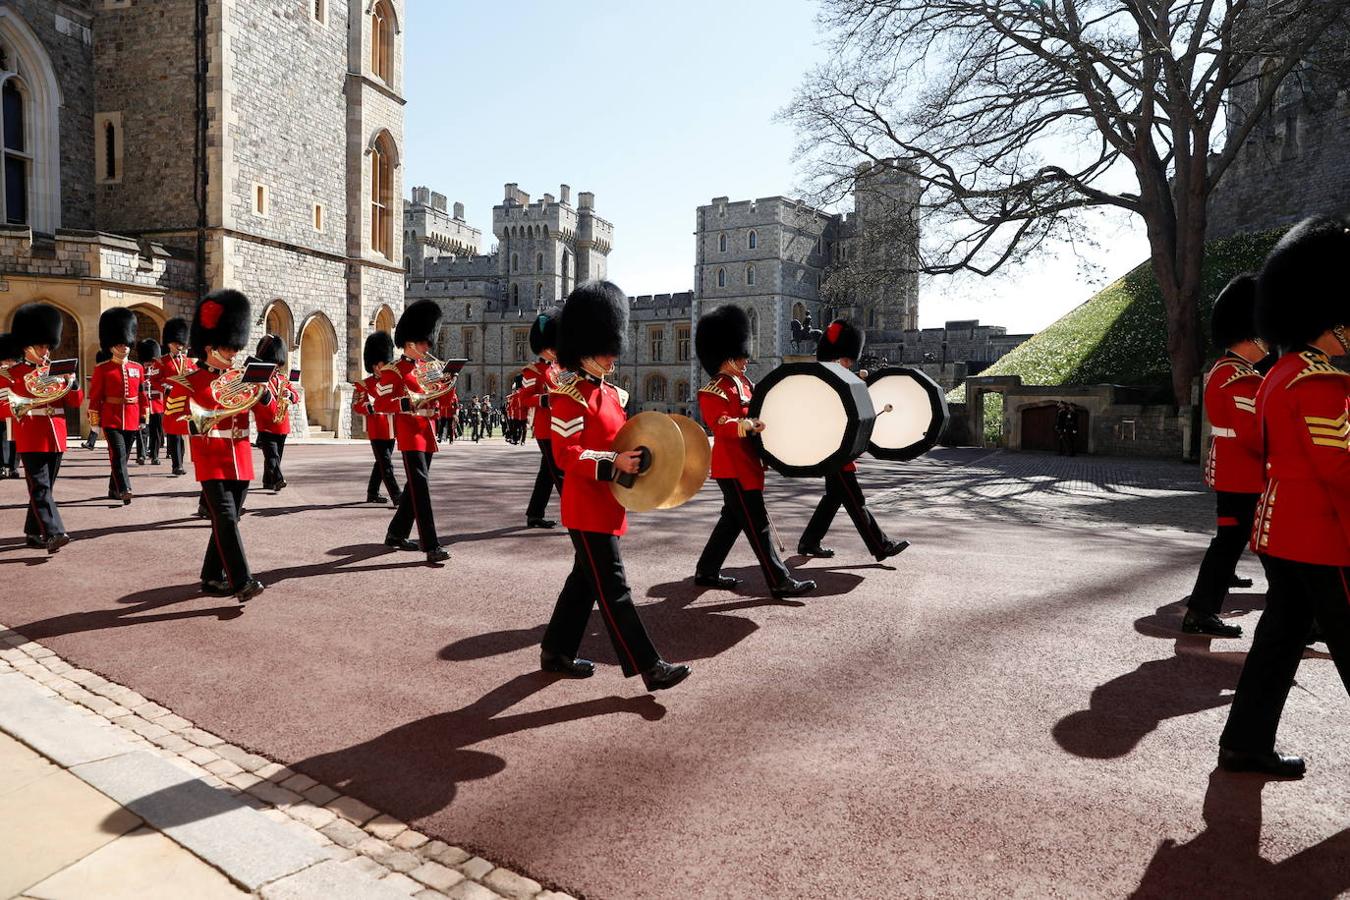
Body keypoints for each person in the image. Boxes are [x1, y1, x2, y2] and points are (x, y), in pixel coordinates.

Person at [1218, 216, 1350, 779]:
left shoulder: (1280, 373)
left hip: (1283, 532)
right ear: (1331, 319)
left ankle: (1245, 743)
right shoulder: (1318, 383)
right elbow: (1340, 471)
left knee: (1278, 641)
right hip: (1323, 536)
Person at [541, 280, 690, 691]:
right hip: (586, 506)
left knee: (583, 582)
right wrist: (612, 463)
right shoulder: (569, 395)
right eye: (606, 346)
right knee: (615, 588)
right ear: (585, 343)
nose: (612, 354)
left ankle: (555, 650)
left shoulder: (611, 395)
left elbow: (622, 441)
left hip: (610, 502)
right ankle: (649, 666)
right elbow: (566, 455)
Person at [693, 304, 814, 598]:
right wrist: (748, 425)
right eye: (741, 354)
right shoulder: (714, 390)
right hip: (732, 467)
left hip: (747, 464)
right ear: (727, 354)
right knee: (758, 526)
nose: (746, 358)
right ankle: (779, 580)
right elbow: (721, 426)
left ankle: (706, 570)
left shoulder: (745, 385)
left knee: (731, 522)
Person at [1183, 275, 1268, 638]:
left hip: (1237, 476)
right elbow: (1254, 436)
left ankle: (1201, 611)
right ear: (1249, 335)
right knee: (1246, 545)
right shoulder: (1237, 377)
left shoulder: (1231, 372)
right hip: (1245, 478)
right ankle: (1201, 612)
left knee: (1231, 544)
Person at [173, 289, 267, 602]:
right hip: (211, 457)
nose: (232, 354)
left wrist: (264, 395)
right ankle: (242, 581)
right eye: (228, 348)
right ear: (211, 347)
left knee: (230, 519)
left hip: (240, 456)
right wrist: (203, 420)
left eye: (234, 347)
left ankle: (212, 576)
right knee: (226, 518)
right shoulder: (188, 381)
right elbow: (171, 422)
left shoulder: (239, 377)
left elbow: (258, 409)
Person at [797, 319, 909, 562]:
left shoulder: (836, 376)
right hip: (833, 451)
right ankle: (881, 546)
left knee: (833, 498)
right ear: (837, 356)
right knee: (855, 500)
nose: (850, 363)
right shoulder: (824, 378)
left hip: (840, 451)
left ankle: (809, 540)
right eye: (847, 359)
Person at [375, 300, 451, 563]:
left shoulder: (426, 369)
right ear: (410, 341)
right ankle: (430, 544)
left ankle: (396, 533)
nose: (427, 347)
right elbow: (381, 403)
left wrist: (447, 384)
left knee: (413, 488)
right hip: (409, 433)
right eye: (424, 342)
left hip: (427, 431)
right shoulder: (392, 371)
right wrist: (407, 403)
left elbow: (439, 400)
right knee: (421, 487)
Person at [8, 302, 85, 552]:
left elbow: (75, 402)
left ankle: (33, 531)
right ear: (26, 346)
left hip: (56, 435)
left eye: (47, 345)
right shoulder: (11, 374)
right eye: (40, 345)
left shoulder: (55, 371)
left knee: (45, 488)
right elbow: (3, 407)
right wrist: (29, 403)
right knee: (41, 487)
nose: (45, 350)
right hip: (30, 435)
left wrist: (71, 383)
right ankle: (54, 532)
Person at [88, 308, 147, 505]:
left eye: (126, 344)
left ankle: (113, 488)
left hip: (132, 416)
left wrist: (143, 417)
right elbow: (95, 398)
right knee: (119, 454)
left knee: (124, 456)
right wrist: (95, 425)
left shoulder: (137, 368)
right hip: (111, 417)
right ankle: (124, 488)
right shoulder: (102, 369)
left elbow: (141, 395)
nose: (124, 347)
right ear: (111, 346)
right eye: (119, 344)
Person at [517, 309, 565, 528]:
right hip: (545, 428)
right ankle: (579, 515)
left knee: (547, 473)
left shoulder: (560, 368)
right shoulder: (532, 371)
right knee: (559, 473)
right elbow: (525, 399)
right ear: (545, 347)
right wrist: (546, 400)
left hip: (561, 425)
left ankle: (534, 513)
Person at [353, 330, 402, 505]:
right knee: (386, 464)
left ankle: (372, 493)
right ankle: (397, 496)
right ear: (374, 365)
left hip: (391, 428)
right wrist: (369, 407)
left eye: (385, 364)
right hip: (376, 430)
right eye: (380, 365)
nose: (383, 368)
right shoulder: (364, 385)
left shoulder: (392, 382)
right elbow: (358, 406)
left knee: (380, 463)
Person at [252, 333, 299, 492]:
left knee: (276, 455)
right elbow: (256, 403)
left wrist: (290, 395)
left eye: (278, 363)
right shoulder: (260, 379)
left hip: (282, 424)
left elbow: (295, 396)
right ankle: (278, 479)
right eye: (274, 363)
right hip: (265, 424)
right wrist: (264, 393)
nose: (276, 366)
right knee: (273, 457)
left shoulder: (283, 379)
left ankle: (268, 481)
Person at [156, 318, 196, 477]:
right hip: (171, 402)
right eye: (176, 343)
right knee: (174, 433)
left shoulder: (189, 362)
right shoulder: (162, 362)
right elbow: (155, 380)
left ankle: (180, 461)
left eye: (181, 343)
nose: (179, 346)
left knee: (183, 431)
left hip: (186, 403)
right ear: (169, 344)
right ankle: (176, 464)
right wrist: (167, 389)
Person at [138, 338, 164, 466]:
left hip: (157, 404)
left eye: (151, 361)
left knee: (156, 432)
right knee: (142, 431)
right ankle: (141, 455)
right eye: (147, 361)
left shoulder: (159, 370)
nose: (149, 364)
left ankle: (155, 455)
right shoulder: (139, 370)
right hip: (144, 404)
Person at [0, 332, 20, 480]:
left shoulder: (18, 371)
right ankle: (2, 465)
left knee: (15, 439)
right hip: (1, 407)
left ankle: (13, 467)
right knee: (2, 439)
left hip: (16, 408)